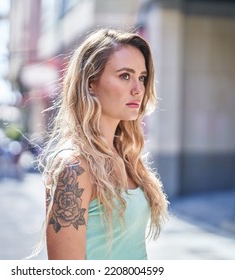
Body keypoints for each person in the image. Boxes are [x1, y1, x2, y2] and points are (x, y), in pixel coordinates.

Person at [35, 28, 169, 260]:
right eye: (125, 76)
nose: (138, 89)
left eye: (142, 77)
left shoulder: (126, 156)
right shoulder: (74, 166)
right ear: (90, 84)